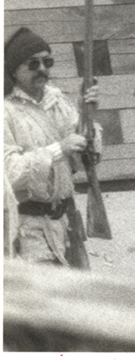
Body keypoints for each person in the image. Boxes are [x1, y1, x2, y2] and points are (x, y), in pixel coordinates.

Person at [3, 27, 102, 268]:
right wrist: (59, 149)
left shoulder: (57, 101)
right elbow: (8, 173)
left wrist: (87, 119)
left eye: (47, 61)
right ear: (14, 71)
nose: (43, 69)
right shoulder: (6, 111)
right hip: (27, 229)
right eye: (32, 64)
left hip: (65, 223)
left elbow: (85, 157)